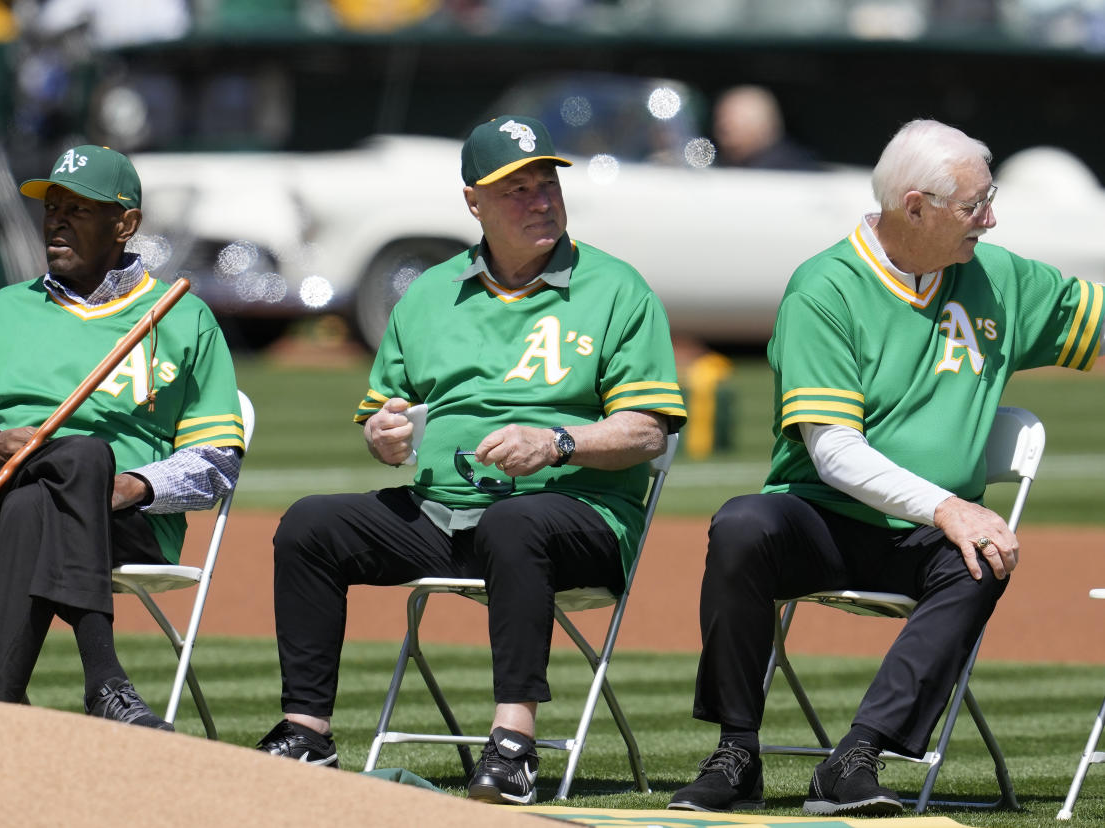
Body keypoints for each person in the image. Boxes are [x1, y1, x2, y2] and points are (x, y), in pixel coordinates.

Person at [669, 118, 1104, 816]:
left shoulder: (1003, 279)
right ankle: (735, 751)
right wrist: (949, 507)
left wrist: (954, 517)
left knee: (983, 552)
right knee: (743, 523)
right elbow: (834, 451)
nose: (990, 220)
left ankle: (858, 756)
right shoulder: (826, 288)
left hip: (926, 543)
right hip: (825, 521)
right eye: (975, 205)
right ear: (915, 207)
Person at [254, 115, 686, 804]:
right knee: (311, 525)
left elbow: (647, 432)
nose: (540, 200)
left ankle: (513, 745)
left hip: (580, 519)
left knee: (514, 525)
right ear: (472, 203)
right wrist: (385, 437)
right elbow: (383, 414)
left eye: (547, 184)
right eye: (516, 190)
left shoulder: (615, 289)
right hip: (442, 514)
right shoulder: (428, 295)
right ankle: (306, 732)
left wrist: (556, 442)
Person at [0, 144, 244, 730]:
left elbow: (218, 460)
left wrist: (134, 485)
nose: (57, 220)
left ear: (126, 224)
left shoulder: (181, 317)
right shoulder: (2, 311)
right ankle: (106, 683)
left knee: (58, 482)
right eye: (52, 207)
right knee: (66, 470)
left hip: (130, 524)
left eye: (79, 209)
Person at [711, 85, 818, 171]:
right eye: (720, 119)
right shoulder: (722, 164)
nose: (723, 127)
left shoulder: (792, 170)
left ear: (762, 125)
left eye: (732, 120)